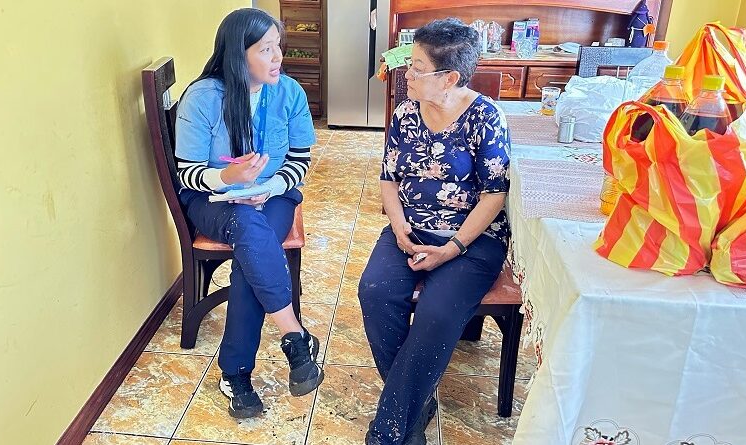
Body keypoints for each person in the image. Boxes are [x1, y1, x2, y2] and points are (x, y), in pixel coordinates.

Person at [359, 18, 511, 444]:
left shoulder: (486, 117)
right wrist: (398, 227)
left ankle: (389, 431)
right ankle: (415, 404)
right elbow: (389, 178)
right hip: (410, 229)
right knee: (375, 292)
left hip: (472, 239)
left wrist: (453, 247)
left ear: (449, 78)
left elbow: (494, 195)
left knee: (438, 313)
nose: (406, 74)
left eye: (417, 68)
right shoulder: (405, 113)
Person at [174, 8, 323, 419]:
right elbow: (187, 173)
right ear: (238, 55)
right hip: (212, 200)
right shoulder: (203, 98)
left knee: (250, 253)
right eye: (266, 49)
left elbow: (299, 160)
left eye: (278, 47)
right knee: (249, 232)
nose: (278, 58)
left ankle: (234, 373)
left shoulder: (288, 92)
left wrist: (266, 188)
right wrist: (228, 178)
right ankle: (295, 336)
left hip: (274, 196)